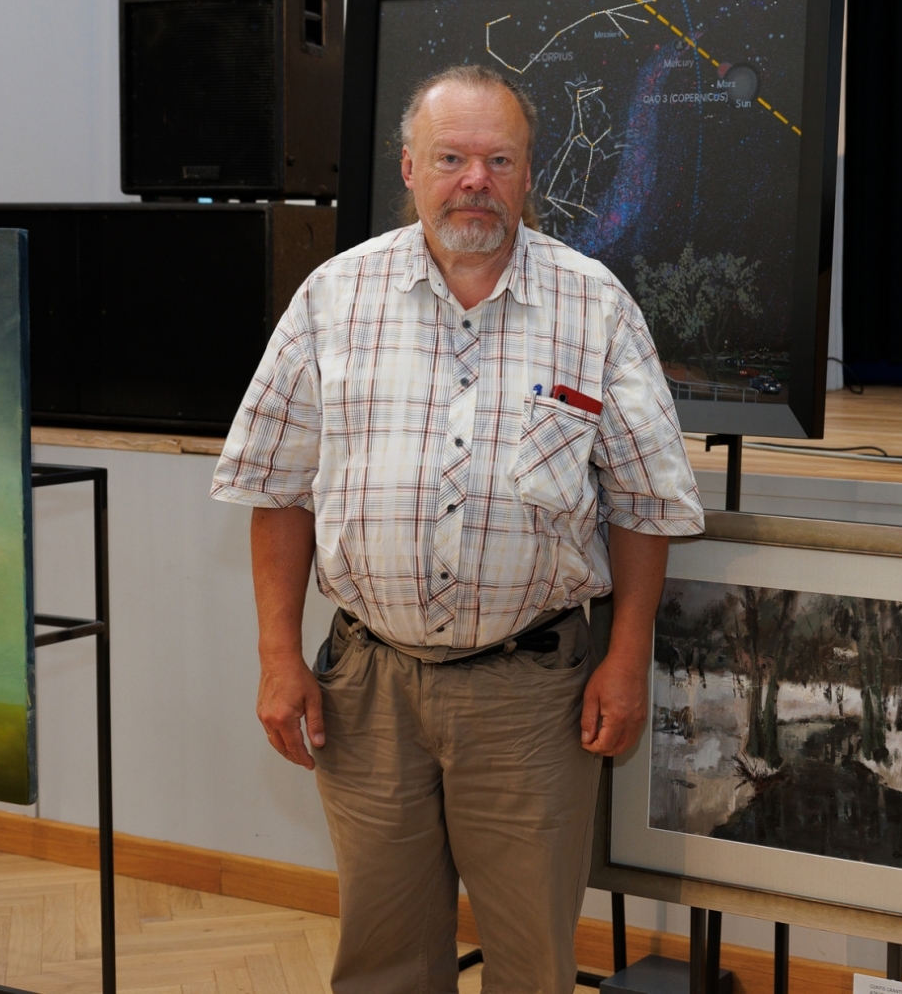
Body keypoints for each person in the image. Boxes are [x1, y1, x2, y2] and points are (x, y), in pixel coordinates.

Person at [210, 64, 703, 994]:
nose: (473, 179)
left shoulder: (593, 306)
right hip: (365, 690)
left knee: (532, 965)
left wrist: (628, 654)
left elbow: (647, 502)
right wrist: (280, 654)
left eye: (497, 159)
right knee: (383, 965)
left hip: (532, 699)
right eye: (450, 158)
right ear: (410, 167)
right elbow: (277, 488)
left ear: (528, 174)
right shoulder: (333, 299)